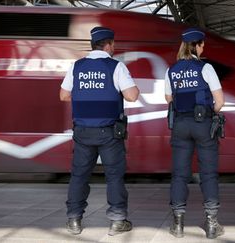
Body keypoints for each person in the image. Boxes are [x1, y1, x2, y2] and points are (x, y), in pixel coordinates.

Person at [59, 26, 139, 236]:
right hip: (109, 133)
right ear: (109, 44)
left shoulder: (77, 66)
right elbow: (131, 96)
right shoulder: (116, 67)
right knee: (114, 177)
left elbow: (64, 95)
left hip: (83, 131)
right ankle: (117, 221)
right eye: (113, 44)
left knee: (79, 176)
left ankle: (74, 220)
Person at [165, 27, 225, 239]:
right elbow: (220, 102)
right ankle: (211, 223)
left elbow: (169, 99)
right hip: (203, 124)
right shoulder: (206, 68)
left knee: (180, 174)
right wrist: (208, 111)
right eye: (202, 44)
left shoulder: (171, 70)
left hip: (181, 125)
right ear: (197, 46)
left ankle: (178, 223)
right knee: (208, 173)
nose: (203, 48)